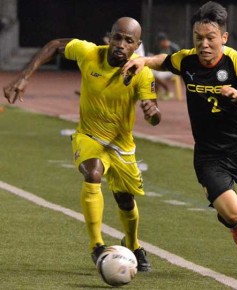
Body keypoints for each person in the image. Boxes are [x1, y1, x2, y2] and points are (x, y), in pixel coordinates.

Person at [123, 1, 237, 279]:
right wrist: (142, 60)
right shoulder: (187, 59)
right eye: (198, 38)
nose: (203, 44)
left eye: (210, 38)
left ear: (223, 38)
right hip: (208, 155)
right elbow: (163, 60)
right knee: (232, 212)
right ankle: (234, 224)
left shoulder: (235, 60)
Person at [3, 17, 161, 272]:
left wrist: (152, 111)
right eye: (117, 37)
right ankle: (97, 246)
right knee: (93, 173)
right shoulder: (89, 53)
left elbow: (154, 118)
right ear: (110, 36)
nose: (121, 44)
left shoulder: (141, 73)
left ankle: (133, 244)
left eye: (128, 40)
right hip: (89, 136)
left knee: (125, 200)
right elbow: (55, 45)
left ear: (137, 45)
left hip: (121, 146)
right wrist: (24, 76)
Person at [152, 32, 180, 100]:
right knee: (150, 73)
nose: (159, 44)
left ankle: (168, 92)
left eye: (160, 42)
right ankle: (158, 91)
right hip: (162, 69)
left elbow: (180, 59)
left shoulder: (173, 47)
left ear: (164, 41)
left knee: (157, 76)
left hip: (173, 70)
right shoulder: (159, 48)